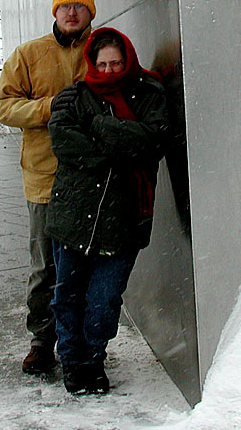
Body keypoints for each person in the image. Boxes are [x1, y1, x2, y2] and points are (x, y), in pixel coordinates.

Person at [46, 27, 168, 394]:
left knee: (103, 299)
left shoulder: (150, 93)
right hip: (73, 216)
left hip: (124, 218)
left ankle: (93, 358)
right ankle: (72, 360)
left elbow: (153, 140)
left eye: (116, 62)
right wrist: (118, 146)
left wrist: (98, 125)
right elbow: (65, 144)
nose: (110, 70)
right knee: (66, 295)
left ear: (128, 58)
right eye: (103, 63)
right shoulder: (74, 96)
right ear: (92, 63)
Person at [0, 0, 96, 375]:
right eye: (66, 4)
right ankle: (42, 340)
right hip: (44, 179)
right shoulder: (28, 55)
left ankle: (81, 341)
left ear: (90, 12)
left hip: (91, 179)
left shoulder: (102, 51)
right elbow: (3, 106)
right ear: (55, 10)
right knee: (45, 267)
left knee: (85, 265)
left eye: (80, 5)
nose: (72, 12)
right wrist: (47, 108)